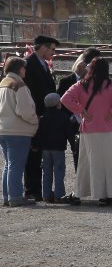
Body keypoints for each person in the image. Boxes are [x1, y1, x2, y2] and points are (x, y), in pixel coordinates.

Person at [57, 47, 112, 200]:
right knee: (110, 162)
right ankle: (108, 194)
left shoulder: (82, 85)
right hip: (110, 129)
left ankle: (86, 191)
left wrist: (81, 110)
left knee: (89, 162)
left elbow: (64, 99)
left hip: (89, 129)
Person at [1, 56, 39, 208]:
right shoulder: (19, 85)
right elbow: (24, 110)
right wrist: (35, 121)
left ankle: (7, 196)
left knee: (9, 165)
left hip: (3, 129)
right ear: (19, 69)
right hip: (18, 131)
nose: (25, 70)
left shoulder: (3, 83)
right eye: (24, 67)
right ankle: (15, 196)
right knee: (16, 165)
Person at [22, 34, 57, 201]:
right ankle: (31, 190)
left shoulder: (42, 63)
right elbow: (31, 92)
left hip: (44, 115)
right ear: (43, 47)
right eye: (52, 49)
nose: (53, 53)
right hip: (35, 115)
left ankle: (38, 190)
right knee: (33, 154)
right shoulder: (29, 64)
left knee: (40, 153)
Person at [35, 92, 75, 204]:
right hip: (58, 148)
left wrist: (35, 145)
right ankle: (59, 195)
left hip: (45, 149)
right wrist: (73, 147)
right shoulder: (64, 117)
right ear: (58, 104)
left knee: (46, 172)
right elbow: (69, 134)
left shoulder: (43, 118)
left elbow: (38, 134)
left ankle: (46, 195)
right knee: (59, 172)